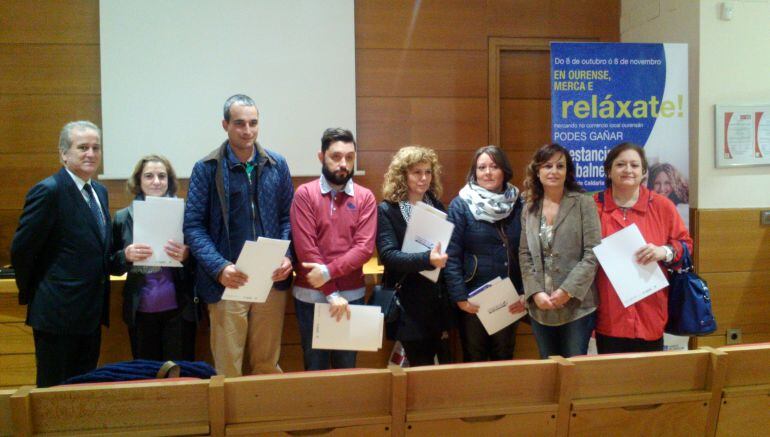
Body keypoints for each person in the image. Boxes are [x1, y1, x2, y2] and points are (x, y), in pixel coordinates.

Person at [184, 94, 294, 377]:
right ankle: (227, 422)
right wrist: (219, 267)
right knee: (228, 368)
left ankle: (264, 420)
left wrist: (286, 255)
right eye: (240, 123)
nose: (248, 130)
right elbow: (193, 227)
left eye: (253, 123)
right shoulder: (206, 168)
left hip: (270, 279)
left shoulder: (276, 164)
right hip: (228, 280)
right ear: (225, 125)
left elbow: (288, 218)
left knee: (267, 365)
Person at [11, 121, 114, 387]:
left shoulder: (99, 192)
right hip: (57, 315)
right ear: (63, 154)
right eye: (82, 147)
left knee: (81, 392)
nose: (90, 153)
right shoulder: (49, 191)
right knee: (53, 394)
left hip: (90, 315)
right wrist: (38, 293)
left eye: (95, 147)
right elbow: (22, 251)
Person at [290, 128, 377, 370]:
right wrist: (330, 292)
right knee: (315, 370)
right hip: (311, 297)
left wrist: (327, 273)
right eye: (336, 156)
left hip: (351, 296)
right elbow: (307, 251)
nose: (343, 164)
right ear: (321, 157)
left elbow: (364, 248)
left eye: (350, 157)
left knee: (347, 372)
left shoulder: (366, 197)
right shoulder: (304, 194)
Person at [594, 142, 693, 354]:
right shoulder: (593, 206)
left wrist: (664, 251)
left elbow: (686, 245)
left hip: (651, 311)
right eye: (620, 164)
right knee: (611, 380)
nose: (628, 170)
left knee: (648, 380)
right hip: (609, 311)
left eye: (634, 165)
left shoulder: (662, 206)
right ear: (609, 171)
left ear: (644, 172)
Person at [519, 144, 601, 358]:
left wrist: (567, 291)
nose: (553, 171)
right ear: (538, 171)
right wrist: (535, 292)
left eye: (560, 166)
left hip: (577, 306)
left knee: (574, 370)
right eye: (547, 166)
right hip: (540, 307)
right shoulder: (530, 207)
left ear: (567, 171)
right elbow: (524, 254)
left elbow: (593, 252)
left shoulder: (583, 202)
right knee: (547, 369)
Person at [445, 145, 526, 362]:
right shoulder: (460, 205)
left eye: (494, 166)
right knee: (475, 359)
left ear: (504, 171)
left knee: (504, 357)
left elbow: (528, 252)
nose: (488, 172)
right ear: (474, 172)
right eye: (482, 167)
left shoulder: (519, 203)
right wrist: (460, 298)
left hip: (510, 297)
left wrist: (525, 291)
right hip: (474, 299)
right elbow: (451, 256)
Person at [112, 155, 196, 361]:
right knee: (147, 377)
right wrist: (125, 255)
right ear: (138, 181)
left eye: (162, 176)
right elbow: (109, 264)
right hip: (140, 311)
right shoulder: (123, 217)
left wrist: (187, 255)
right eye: (149, 176)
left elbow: (201, 260)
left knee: (180, 376)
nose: (156, 181)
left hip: (179, 310)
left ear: (170, 180)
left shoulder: (186, 215)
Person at [376, 146, 452, 367]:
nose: (424, 178)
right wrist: (427, 259)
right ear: (403, 175)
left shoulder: (435, 205)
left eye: (428, 172)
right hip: (407, 303)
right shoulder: (387, 210)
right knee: (418, 369)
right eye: (416, 172)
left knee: (440, 368)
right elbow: (389, 256)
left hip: (435, 302)